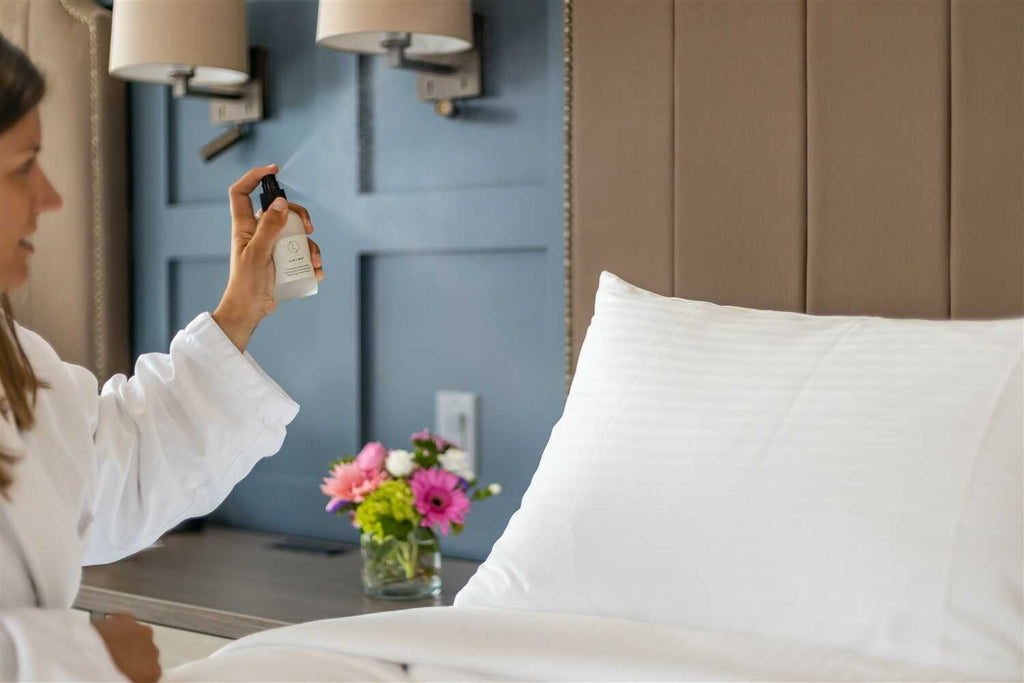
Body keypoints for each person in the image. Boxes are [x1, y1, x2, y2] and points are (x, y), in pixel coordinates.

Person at [0, 35, 324, 682]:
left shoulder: (16, 361)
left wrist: (240, 310)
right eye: (23, 165)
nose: (52, 197)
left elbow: (109, 471)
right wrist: (81, 661)